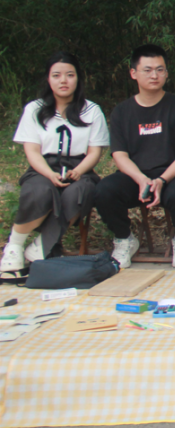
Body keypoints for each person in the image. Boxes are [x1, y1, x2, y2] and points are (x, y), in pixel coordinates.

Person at [94, 44, 175, 269]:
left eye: (160, 70)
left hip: (172, 175)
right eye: (148, 70)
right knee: (104, 190)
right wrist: (142, 179)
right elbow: (120, 155)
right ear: (133, 73)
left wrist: (161, 180)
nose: (154, 75)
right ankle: (124, 239)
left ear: (167, 73)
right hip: (136, 177)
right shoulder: (122, 112)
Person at [1, 53, 109, 271]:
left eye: (70, 75)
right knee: (39, 191)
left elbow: (94, 152)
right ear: (48, 79)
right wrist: (49, 173)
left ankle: (41, 245)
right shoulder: (34, 109)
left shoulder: (92, 110)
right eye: (57, 75)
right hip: (43, 167)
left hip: (79, 168)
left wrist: (79, 171)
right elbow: (32, 151)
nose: (63, 81)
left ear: (78, 78)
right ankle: (15, 245)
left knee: (79, 193)